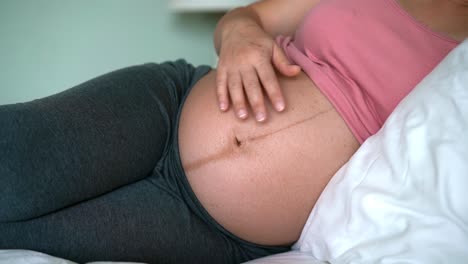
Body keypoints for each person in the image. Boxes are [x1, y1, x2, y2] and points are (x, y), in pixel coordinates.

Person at [0, 0, 466, 263]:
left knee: (21, 235)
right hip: (169, 105)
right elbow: (244, 19)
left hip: (214, 230)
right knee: (14, 166)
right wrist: (241, 36)